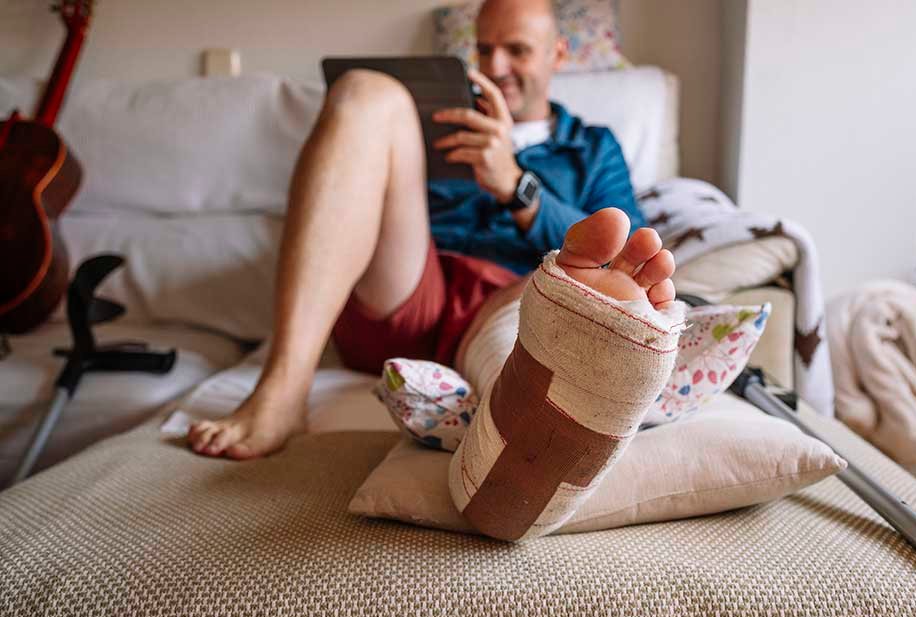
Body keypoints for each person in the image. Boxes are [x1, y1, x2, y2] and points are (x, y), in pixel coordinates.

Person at [187, 0, 675, 459]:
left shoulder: (593, 147)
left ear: (558, 54)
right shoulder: (430, 124)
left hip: (516, 300)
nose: (496, 66)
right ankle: (282, 391)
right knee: (365, 89)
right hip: (410, 295)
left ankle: (527, 405)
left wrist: (516, 185)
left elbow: (627, 257)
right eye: (484, 49)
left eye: (518, 50)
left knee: (606, 275)